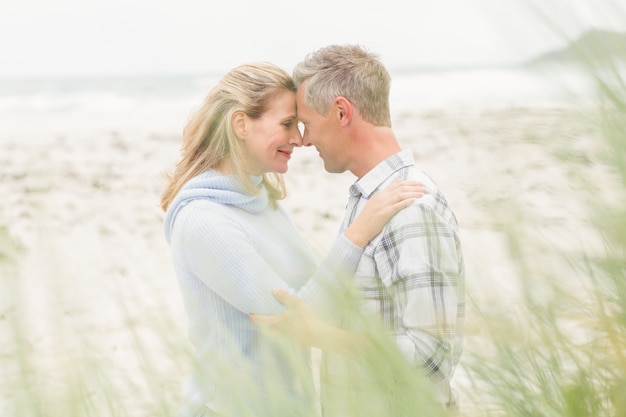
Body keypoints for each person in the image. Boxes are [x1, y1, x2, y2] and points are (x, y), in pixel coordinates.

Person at [160, 61, 426, 417]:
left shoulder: (261, 198)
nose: (300, 139)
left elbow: (320, 293)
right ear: (241, 124)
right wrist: (359, 231)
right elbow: (295, 323)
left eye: (300, 125)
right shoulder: (203, 221)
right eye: (287, 124)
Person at [251, 44, 465, 414]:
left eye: (306, 123)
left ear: (340, 112)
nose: (303, 139)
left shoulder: (411, 207)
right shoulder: (371, 199)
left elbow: (434, 358)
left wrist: (322, 337)